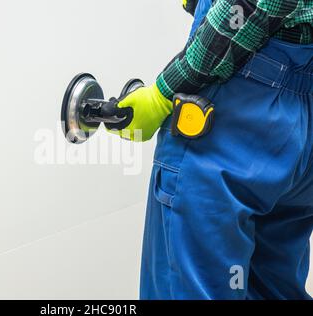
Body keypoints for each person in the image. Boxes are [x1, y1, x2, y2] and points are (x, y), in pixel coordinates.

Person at [111, 0, 313, 299]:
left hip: (238, 114)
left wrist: (162, 94)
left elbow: (249, 6)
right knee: (272, 287)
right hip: (299, 125)